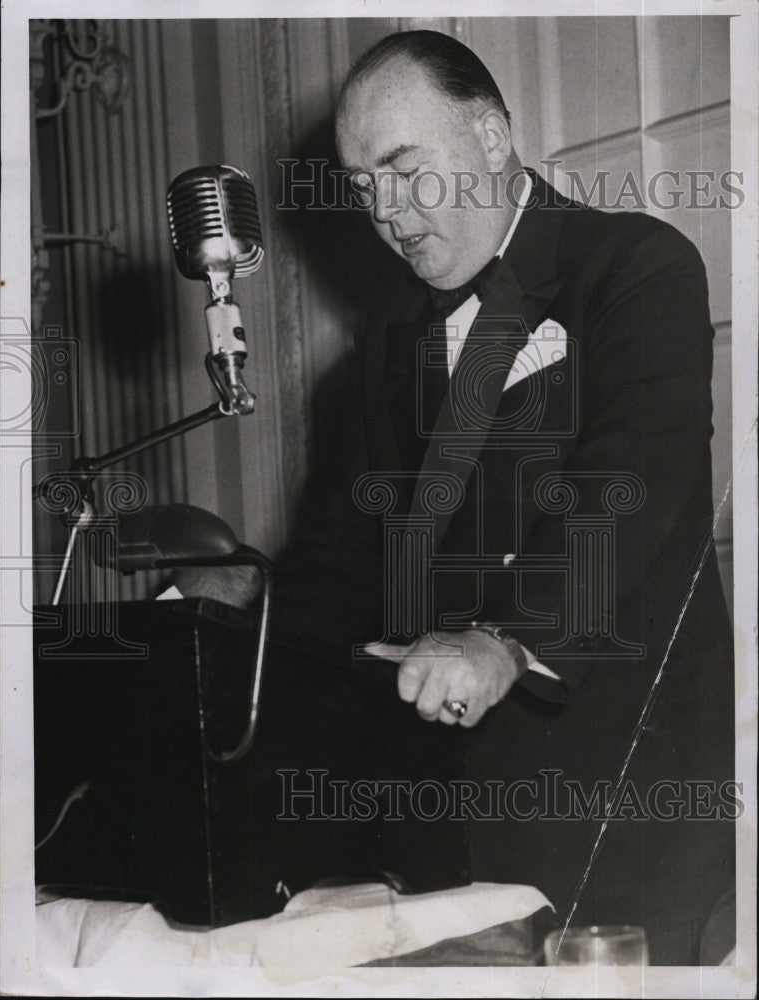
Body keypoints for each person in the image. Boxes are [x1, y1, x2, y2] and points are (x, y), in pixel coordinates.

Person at [178, 30, 735, 965]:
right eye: (364, 188)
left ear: (488, 136)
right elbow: (347, 550)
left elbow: (627, 487)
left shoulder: (637, 266)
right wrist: (235, 641)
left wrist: (507, 639)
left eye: (406, 170)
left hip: (626, 788)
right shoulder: (391, 332)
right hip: (452, 813)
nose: (388, 212)